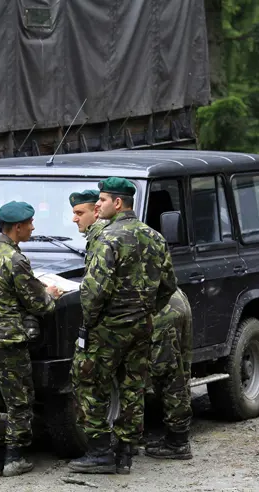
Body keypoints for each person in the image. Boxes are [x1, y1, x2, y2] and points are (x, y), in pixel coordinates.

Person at [69, 177, 177, 475]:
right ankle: (125, 453)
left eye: (102, 200)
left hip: (107, 328)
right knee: (133, 387)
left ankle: (99, 453)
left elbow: (93, 291)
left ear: (118, 203)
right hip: (141, 325)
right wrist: (146, 310)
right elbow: (169, 285)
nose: (98, 204)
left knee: (89, 385)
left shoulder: (107, 238)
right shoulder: (154, 237)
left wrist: (90, 324)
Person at [0, 201, 63, 477]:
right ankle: (14, 458)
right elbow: (39, 305)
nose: (33, 228)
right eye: (30, 224)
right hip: (6, 339)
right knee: (18, 399)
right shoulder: (16, 260)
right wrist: (51, 295)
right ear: (17, 228)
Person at [145, 287, 193, 460]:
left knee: (167, 374)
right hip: (174, 298)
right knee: (180, 369)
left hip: (162, 309)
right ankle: (177, 438)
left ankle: (178, 443)